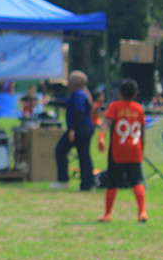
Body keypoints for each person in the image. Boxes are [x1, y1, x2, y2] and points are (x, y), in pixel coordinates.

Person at [97, 78, 148, 223]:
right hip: (135, 151)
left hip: (117, 152)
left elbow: (107, 122)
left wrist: (101, 137)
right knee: (137, 181)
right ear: (135, 94)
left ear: (119, 92)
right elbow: (143, 130)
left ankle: (108, 214)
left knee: (113, 182)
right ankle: (142, 212)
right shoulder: (138, 108)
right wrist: (142, 149)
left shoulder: (115, 106)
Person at [52, 70, 95, 191]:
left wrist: (72, 129)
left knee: (60, 150)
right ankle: (87, 184)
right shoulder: (83, 93)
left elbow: (79, 111)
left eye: (70, 81)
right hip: (86, 128)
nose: (68, 84)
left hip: (79, 129)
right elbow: (66, 104)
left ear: (75, 83)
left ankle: (63, 180)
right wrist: (49, 101)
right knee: (84, 155)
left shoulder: (78, 94)